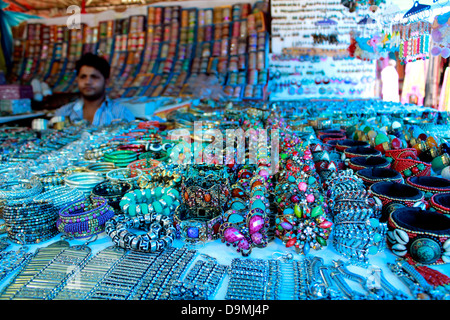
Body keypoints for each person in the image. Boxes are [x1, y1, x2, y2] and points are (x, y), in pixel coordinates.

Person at [55, 53, 135, 126]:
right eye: (83, 77)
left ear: (106, 82)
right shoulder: (64, 113)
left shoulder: (120, 114)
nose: (87, 82)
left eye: (94, 77)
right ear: (77, 80)